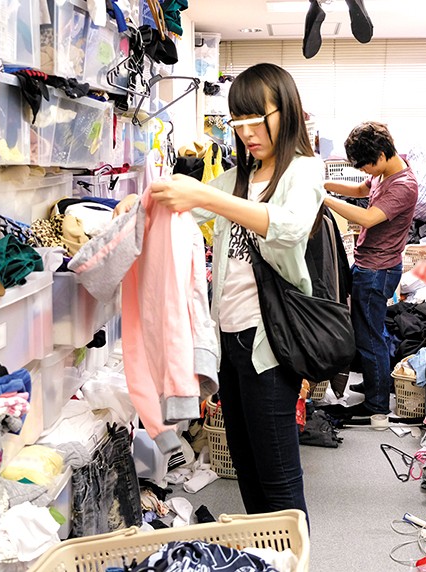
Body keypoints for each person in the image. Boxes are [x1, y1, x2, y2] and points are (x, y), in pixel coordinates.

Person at [115, 63, 323, 519]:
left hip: (269, 345)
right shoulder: (235, 179)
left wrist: (205, 196)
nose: (247, 133)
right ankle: (264, 552)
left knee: (279, 480)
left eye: (257, 119)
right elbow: (184, 213)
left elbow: (289, 228)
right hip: (228, 343)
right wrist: (140, 203)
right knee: (247, 471)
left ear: (286, 112)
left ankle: (293, 552)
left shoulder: (304, 171)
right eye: (238, 122)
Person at [322, 122, 418, 418]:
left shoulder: (403, 186)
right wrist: (323, 184)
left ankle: (376, 404)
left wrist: (323, 199)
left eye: (366, 165)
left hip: (378, 270)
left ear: (381, 154)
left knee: (369, 337)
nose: (364, 171)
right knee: (372, 331)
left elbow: (367, 218)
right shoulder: (385, 170)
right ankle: (377, 382)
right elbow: (361, 189)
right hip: (371, 264)